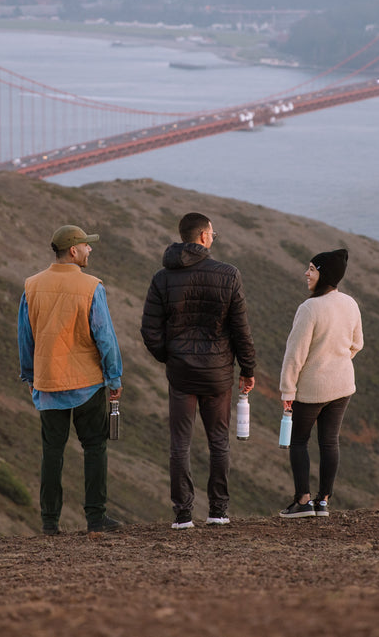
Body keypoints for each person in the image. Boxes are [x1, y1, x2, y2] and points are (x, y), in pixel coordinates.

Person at [141, 212, 257, 529]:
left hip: (181, 373)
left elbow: (149, 330)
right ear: (204, 236)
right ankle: (218, 511)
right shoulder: (229, 274)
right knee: (218, 441)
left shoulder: (162, 278)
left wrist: (171, 356)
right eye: (213, 234)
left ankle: (182, 515)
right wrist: (247, 368)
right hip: (218, 372)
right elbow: (241, 330)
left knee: (180, 443)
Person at [18, 224, 124, 535]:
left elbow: (25, 337)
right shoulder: (92, 287)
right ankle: (95, 518)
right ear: (74, 250)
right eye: (87, 246)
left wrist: (30, 374)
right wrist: (114, 376)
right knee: (94, 447)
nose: (91, 250)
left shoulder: (32, 285)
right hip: (88, 382)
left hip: (48, 382)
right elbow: (105, 337)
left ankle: (49, 522)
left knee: (52, 450)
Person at [277, 248, 363, 518]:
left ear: (323, 275)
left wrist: (287, 389)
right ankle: (323, 501)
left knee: (299, 441)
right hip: (343, 385)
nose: (306, 273)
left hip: (312, 389)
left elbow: (295, 354)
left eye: (312, 269)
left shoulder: (309, 309)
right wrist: (337, 360)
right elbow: (357, 344)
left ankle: (302, 502)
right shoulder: (350, 303)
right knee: (329, 442)